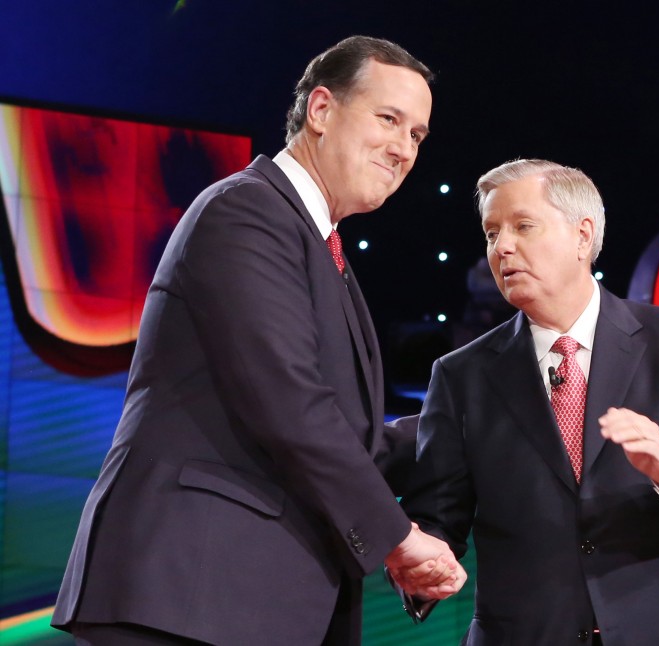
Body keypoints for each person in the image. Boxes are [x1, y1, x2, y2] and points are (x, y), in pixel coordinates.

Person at [51, 35, 464, 646]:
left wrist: (459, 421)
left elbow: (347, 436)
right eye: (389, 120)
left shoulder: (320, 248)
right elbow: (291, 406)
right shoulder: (246, 213)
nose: (404, 148)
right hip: (187, 593)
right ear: (320, 110)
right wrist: (399, 540)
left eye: (418, 136)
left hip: (248, 603)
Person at [397, 159, 659, 645]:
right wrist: (420, 565)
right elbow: (436, 518)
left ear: (583, 236)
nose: (502, 247)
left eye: (523, 226)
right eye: (492, 233)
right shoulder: (460, 375)